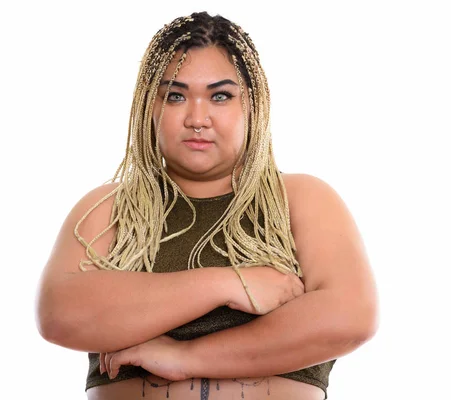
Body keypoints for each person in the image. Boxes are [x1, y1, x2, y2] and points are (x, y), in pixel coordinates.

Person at [35, 11, 378, 400]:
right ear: (150, 106)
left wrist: (186, 357)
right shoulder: (110, 207)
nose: (197, 118)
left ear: (252, 104)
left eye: (220, 96)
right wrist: (229, 282)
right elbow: (59, 315)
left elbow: (349, 317)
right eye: (176, 96)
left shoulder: (299, 199)